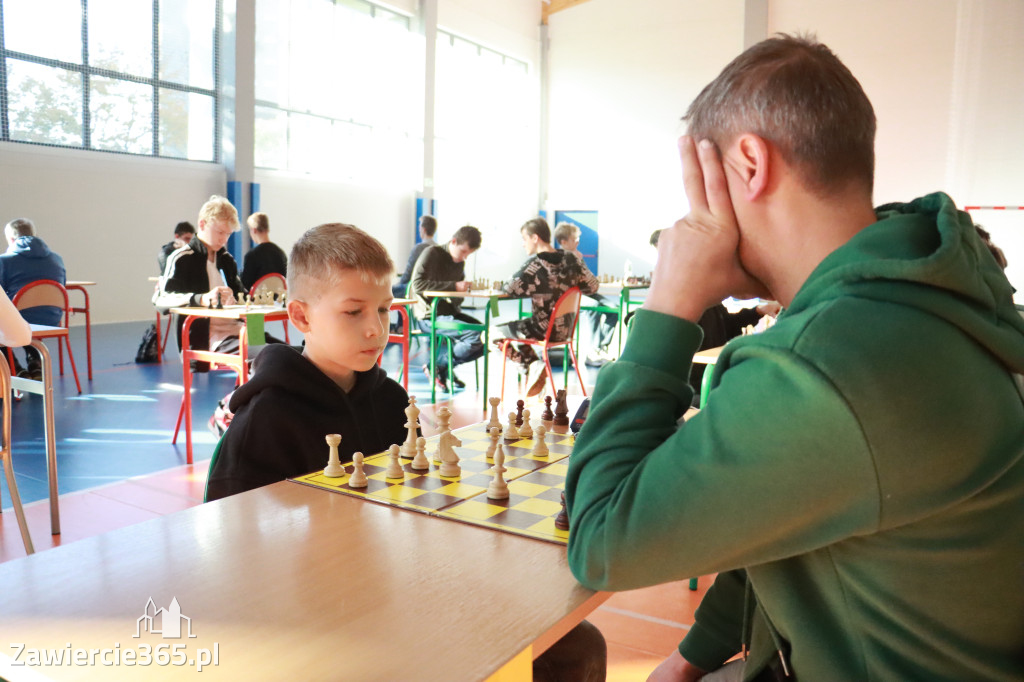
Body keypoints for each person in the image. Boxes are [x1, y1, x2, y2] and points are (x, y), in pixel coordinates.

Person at [566, 34, 1024, 682]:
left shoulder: (829, 363)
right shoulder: (921, 296)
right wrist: (692, 657)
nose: (692, 216)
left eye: (702, 186)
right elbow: (795, 522)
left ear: (750, 163)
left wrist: (668, 308)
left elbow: (602, 540)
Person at [205, 223, 409, 501]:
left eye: (384, 309)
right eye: (353, 311)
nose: (377, 328)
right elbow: (236, 531)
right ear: (301, 317)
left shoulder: (393, 401)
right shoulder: (265, 422)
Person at [495, 217, 598, 397]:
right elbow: (593, 286)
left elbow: (509, 288)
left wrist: (531, 289)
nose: (522, 244)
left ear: (535, 238)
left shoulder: (535, 264)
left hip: (541, 329)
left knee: (492, 333)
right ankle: (534, 366)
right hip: (565, 330)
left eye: (524, 239)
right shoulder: (572, 259)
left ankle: (531, 366)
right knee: (516, 331)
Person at [410, 224, 485, 391]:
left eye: (469, 254)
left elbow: (454, 297)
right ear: (453, 241)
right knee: (475, 335)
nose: (464, 257)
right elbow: (417, 285)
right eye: (463, 252)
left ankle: (441, 366)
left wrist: (462, 291)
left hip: (448, 313)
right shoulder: (431, 253)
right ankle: (440, 367)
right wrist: (454, 286)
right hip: (429, 316)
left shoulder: (459, 263)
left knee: (488, 336)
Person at [0, 218, 66, 378]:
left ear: (11, 239)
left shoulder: (4, 261)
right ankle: (36, 362)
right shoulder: (57, 259)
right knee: (28, 317)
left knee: (11, 318)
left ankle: (13, 368)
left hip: (18, 322)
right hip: (52, 319)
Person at [552, 221, 618, 368]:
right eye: (573, 239)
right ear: (563, 242)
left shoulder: (578, 255)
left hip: (585, 292)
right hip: (569, 296)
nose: (578, 241)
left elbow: (587, 278)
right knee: (593, 306)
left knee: (613, 308)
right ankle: (592, 353)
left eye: (577, 238)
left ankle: (601, 347)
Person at [240, 212, 288, 291]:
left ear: (254, 230)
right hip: (277, 301)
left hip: (256, 301)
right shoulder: (281, 254)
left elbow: (245, 285)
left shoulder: (252, 256)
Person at [393, 214, 438, 298]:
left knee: (390, 291)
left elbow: (407, 275)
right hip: (431, 289)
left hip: (415, 289)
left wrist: (398, 284)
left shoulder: (418, 249)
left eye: (420, 228)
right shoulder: (439, 249)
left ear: (423, 229)